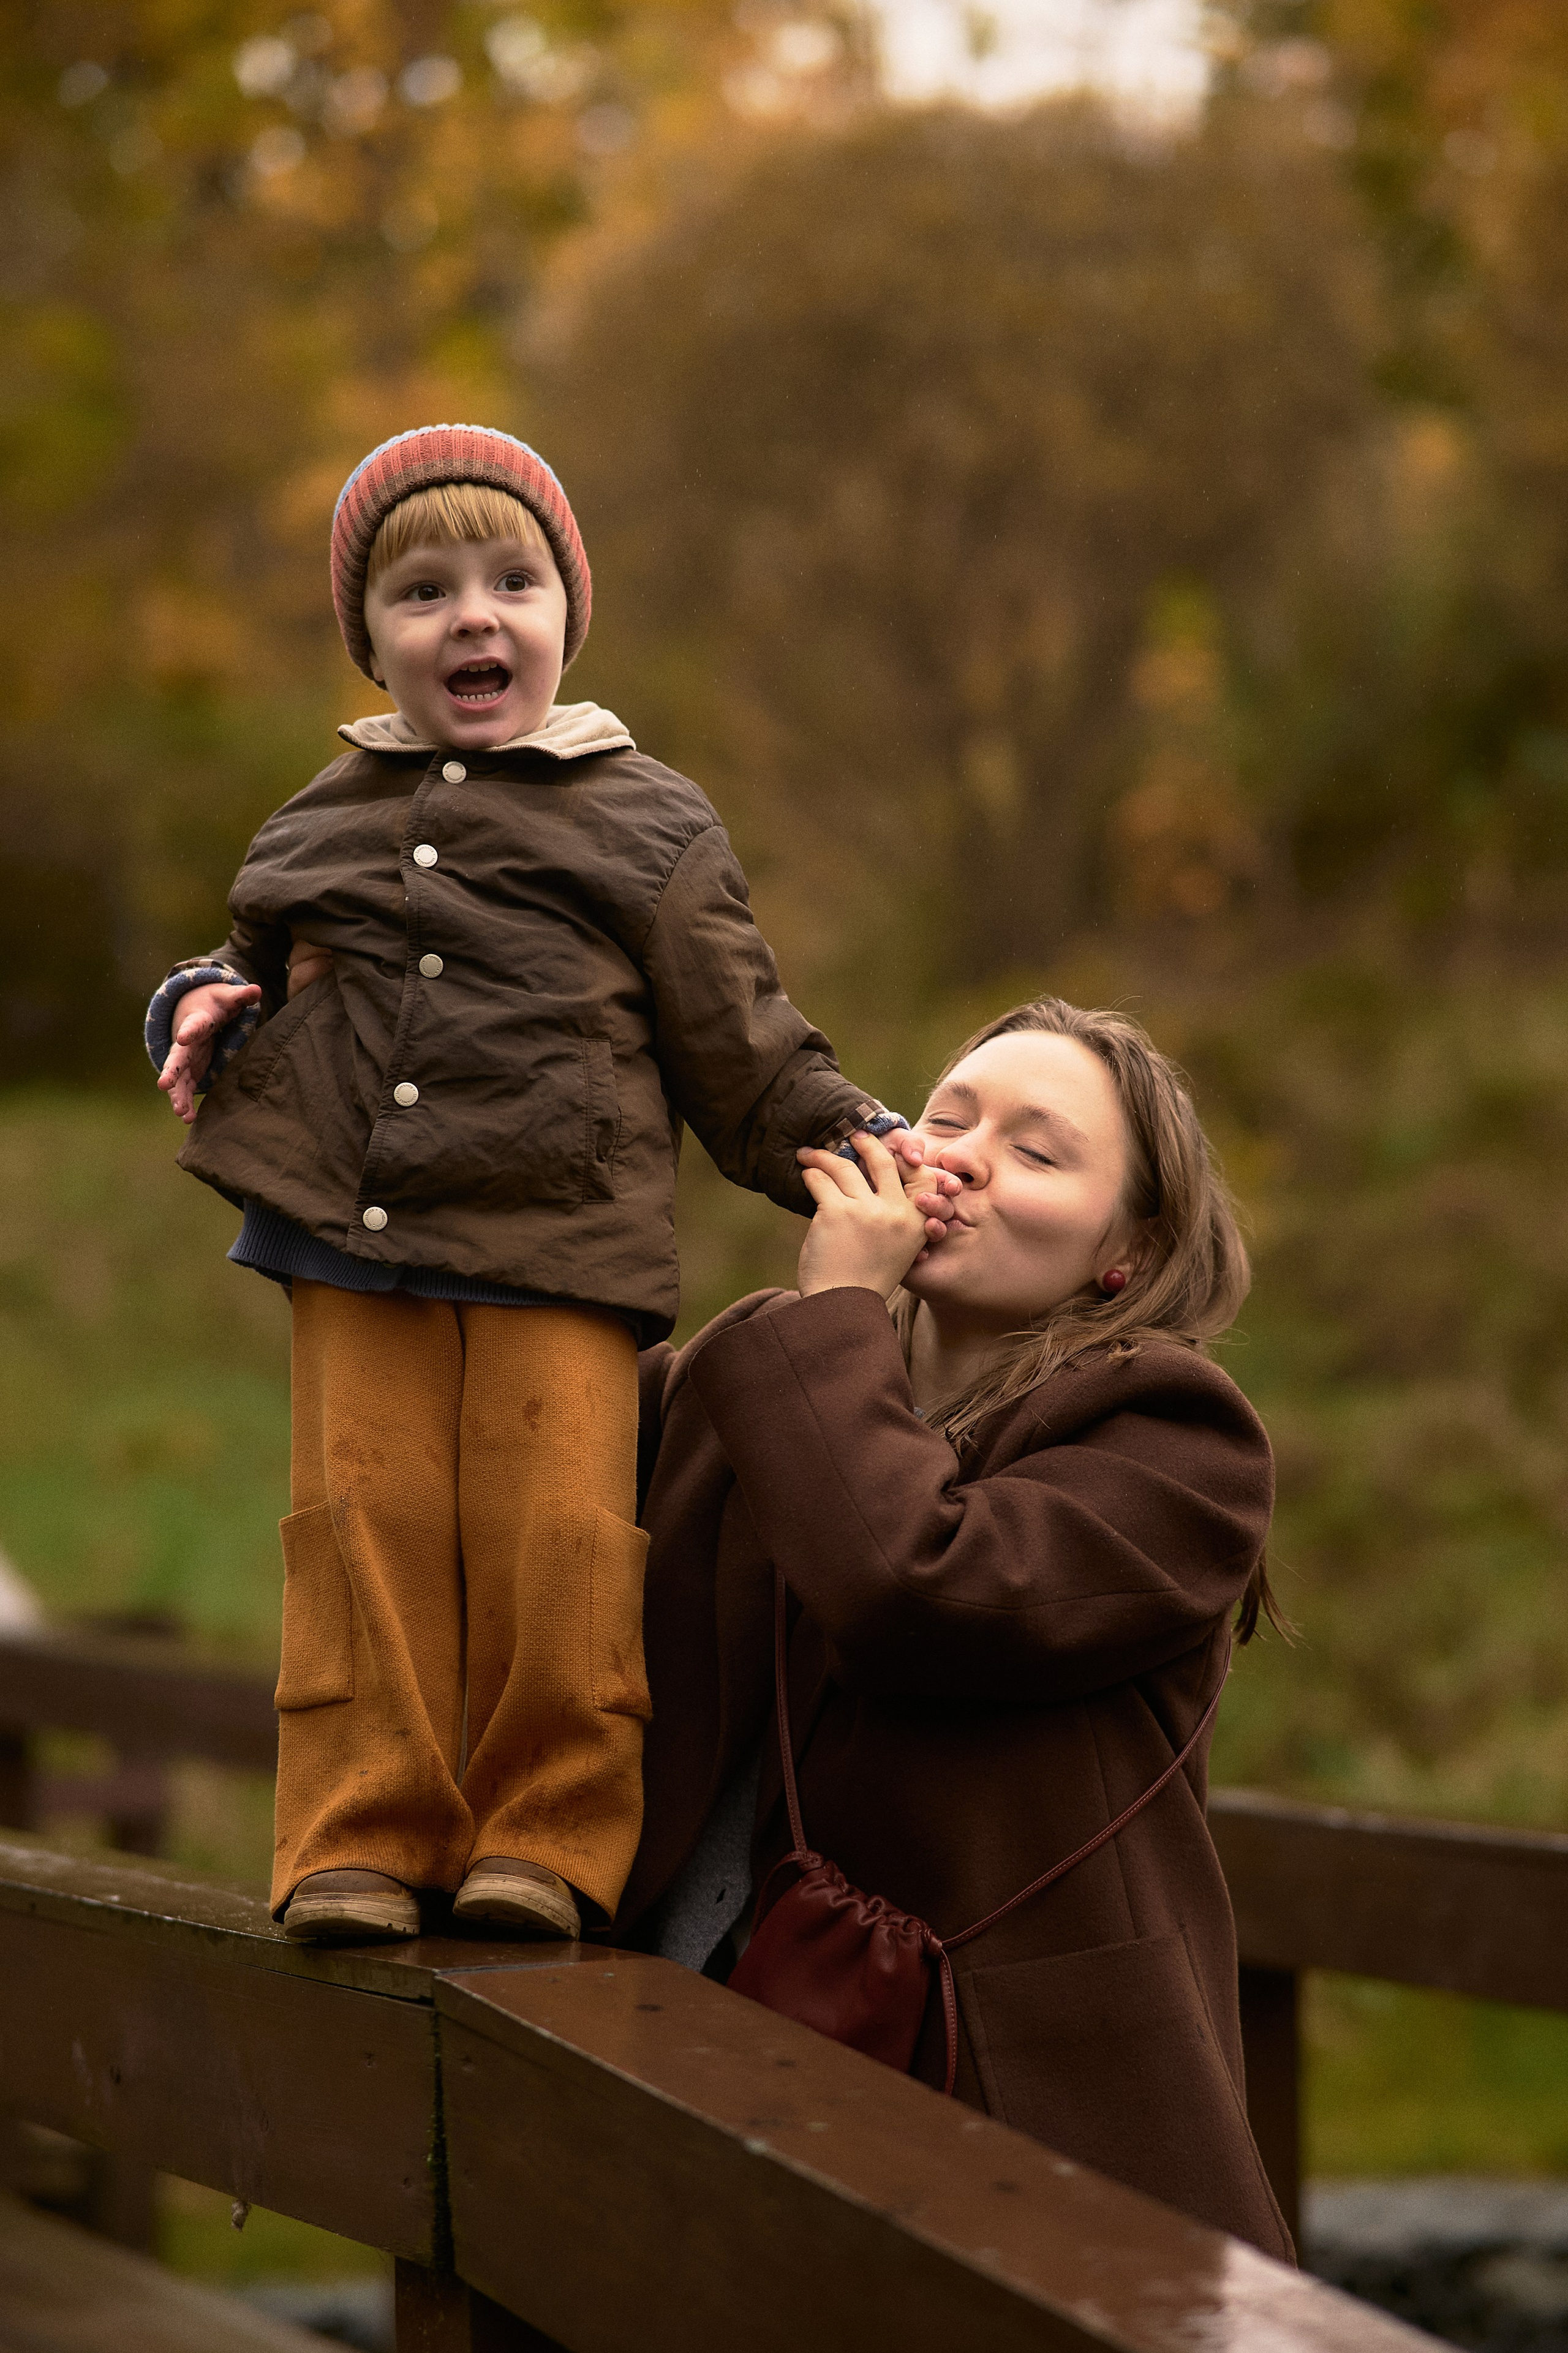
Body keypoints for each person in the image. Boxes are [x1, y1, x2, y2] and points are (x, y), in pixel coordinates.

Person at [143, 423, 921, 1946]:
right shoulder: (317, 816)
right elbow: (245, 966)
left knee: (557, 1542)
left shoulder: (647, 821)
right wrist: (195, 1002)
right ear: (370, 641)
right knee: (360, 1535)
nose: (472, 615)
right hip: (348, 1241)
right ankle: (359, 1834)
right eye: (422, 592)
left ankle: (546, 1835)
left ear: (568, 615)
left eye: (512, 580)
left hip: (561, 1247)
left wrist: (869, 1143)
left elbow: (744, 1051)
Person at [622, 996, 1294, 2259]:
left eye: (1036, 1152)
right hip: (706, 2075)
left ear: (1129, 1255)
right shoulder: (755, 1374)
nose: (960, 1156)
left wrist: (837, 1319)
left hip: (1031, 2148)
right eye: (943, 1118)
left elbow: (906, 1587)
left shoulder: (1176, 1444)